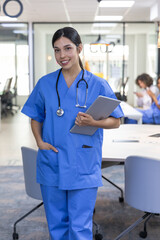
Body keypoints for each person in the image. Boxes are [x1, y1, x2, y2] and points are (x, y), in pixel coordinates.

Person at [21, 27, 124, 240]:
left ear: (79, 49)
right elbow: (35, 116)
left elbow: (116, 121)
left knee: (80, 227)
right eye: (57, 50)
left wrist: (95, 121)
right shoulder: (45, 83)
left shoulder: (97, 84)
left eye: (67, 48)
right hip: (53, 160)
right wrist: (39, 141)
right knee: (56, 225)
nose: (62, 55)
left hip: (83, 162)